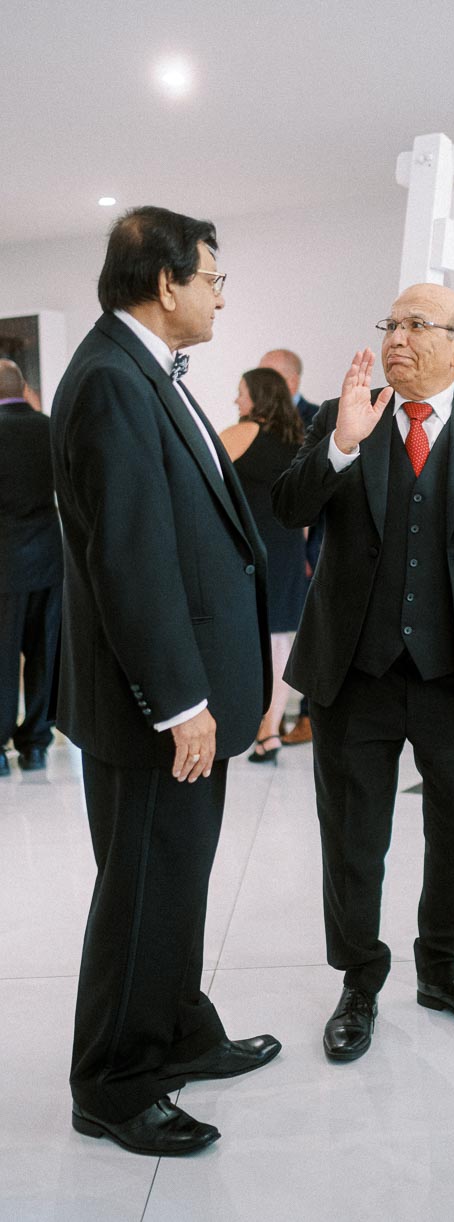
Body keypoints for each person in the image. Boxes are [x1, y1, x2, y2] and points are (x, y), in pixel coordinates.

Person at [50, 206, 280, 1157]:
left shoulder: (144, 369)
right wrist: (182, 703)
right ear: (165, 283)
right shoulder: (110, 379)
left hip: (195, 689)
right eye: (213, 277)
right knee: (142, 894)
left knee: (177, 882)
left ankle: (180, 1031)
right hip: (156, 706)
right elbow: (130, 558)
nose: (223, 293)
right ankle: (113, 1082)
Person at [273, 282, 454, 1061]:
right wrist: (340, 446)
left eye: (417, 325)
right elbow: (286, 500)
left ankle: (444, 969)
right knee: (353, 838)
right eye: (390, 323)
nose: (397, 337)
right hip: (355, 674)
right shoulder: (344, 414)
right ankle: (359, 980)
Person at [219, 367, 308, 764]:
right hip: (288, 548)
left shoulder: (245, 432)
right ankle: (269, 732)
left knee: (252, 644)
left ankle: (257, 729)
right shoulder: (298, 442)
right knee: (280, 642)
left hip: (250, 551)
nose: (236, 401)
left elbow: (199, 473)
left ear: (259, 397)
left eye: (241, 393)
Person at [0, 359, 63, 774]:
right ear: (24, 388)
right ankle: (37, 743)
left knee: (2, 657)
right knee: (44, 652)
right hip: (48, 556)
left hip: (3, 561)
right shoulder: (50, 428)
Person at [259, 347, 319, 744]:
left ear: (292, 382)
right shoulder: (258, 421)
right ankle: (270, 716)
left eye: (270, 376)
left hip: (309, 548)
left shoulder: (316, 419)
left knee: (315, 634)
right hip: (274, 546)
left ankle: (309, 716)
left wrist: (310, 554)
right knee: (274, 635)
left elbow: (319, 490)